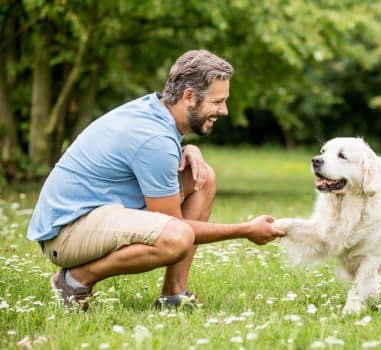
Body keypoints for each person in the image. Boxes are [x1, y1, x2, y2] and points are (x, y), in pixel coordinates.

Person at [26, 49, 286, 311]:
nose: (224, 110)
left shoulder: (155, 110)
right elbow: (174, 225)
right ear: (189, 97)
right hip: (66, 233)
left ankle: (174, 294)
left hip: (89, 215)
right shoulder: (155, 139)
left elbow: (146, 158)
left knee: (202, 177)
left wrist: (187, 150)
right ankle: (73, 282)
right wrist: (245, 229)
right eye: (217, 102)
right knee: (177, 237)